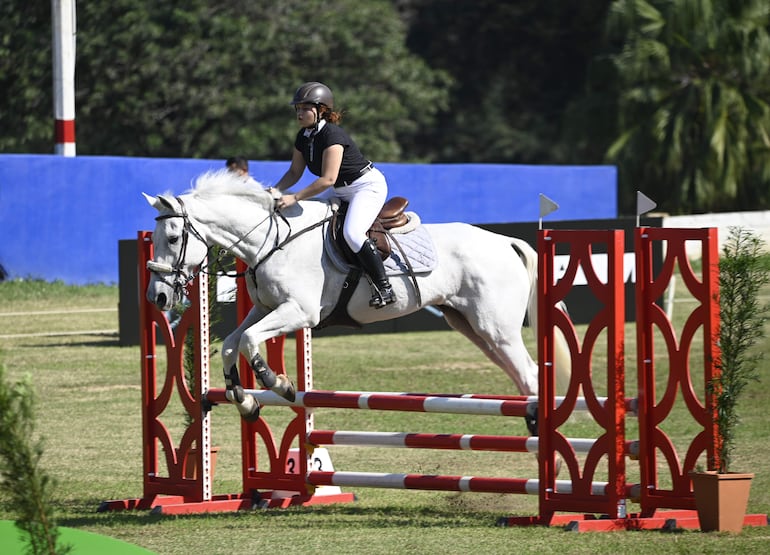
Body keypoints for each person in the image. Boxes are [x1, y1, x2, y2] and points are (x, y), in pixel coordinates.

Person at [272, 82, 395, 308]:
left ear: (322, 110)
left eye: (305, 108)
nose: (299, 113)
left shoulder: (332, 134)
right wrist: (276, 190)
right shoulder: (303, 136)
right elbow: (294, 172)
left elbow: (327, 179)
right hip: (341, 190)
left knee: (353, 233)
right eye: (297, 108)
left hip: (365, 187)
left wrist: (295, 197)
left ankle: (384, 287)